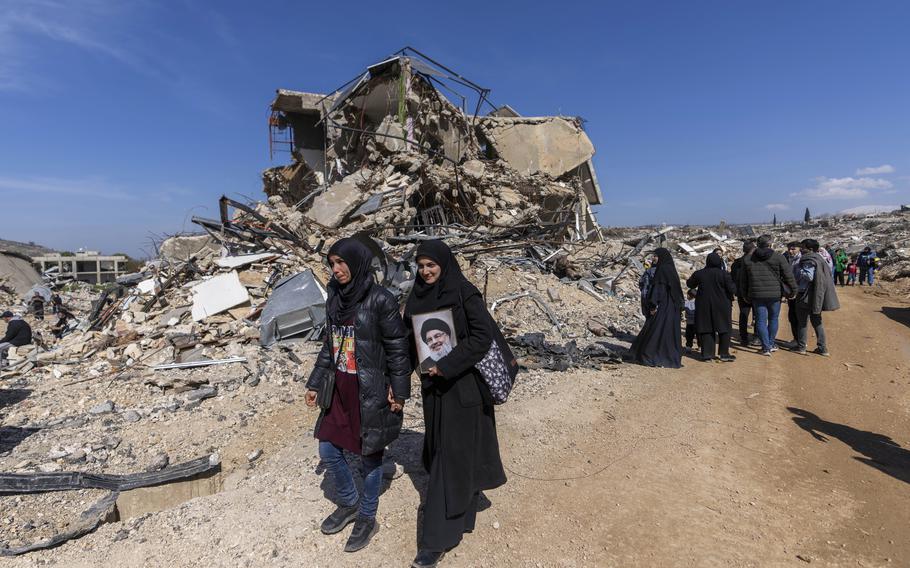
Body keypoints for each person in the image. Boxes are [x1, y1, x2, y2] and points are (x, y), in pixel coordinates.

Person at [403, 240, 511, 568]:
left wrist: (447, 364)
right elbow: (412, 343)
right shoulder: (417, 295)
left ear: (444, 263)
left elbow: (482, 338)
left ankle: (438, 538)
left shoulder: (465, 293)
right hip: (434, 390)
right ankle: (465, 503)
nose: (426, 271)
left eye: (431, 264)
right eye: (420, 265)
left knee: (448, 460)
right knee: (446, 450)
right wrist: (398, 384)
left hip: (463, 389)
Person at [303, 238, 410, 553]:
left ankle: (367, 515)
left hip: (370, 390)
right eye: (332, 264)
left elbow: (398, 349)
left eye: (341, 262)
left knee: (369, 456)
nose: (336, 270)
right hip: (339, 389)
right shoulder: (335, 297)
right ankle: (350, 503)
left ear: (357, 261)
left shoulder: (381, 300)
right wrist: (315, 382)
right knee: (328, 449)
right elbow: (329, 345)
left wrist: (399, 391)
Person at [630, 248, 684, 368]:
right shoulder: (671, 269)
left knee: (655, 330)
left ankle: (650, 356)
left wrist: (653, 304)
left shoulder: (662, 270)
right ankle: (669, 358)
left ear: (662, 257)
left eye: (656, 256)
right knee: (668, 332)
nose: (653, 258)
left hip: (663, 305)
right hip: (672, 306)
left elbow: (658, 289)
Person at [743, 235, 796, 356]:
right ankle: (771, 344)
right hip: (775, 294)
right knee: (773, 318)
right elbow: (788, 276)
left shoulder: (748, 259)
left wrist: (745, 294)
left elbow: (744, 280)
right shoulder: (779, 257)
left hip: (757, 295)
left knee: (760, 320)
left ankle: (765, 347)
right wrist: (793, 290)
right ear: (770, 244)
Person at [686, 252, 737, 362]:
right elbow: (733, 289)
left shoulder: (699, 274)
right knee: (724, 328)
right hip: (722, 305)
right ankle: (724, 354)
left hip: (704, 305)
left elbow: (690, 284)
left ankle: (707, 354)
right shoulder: (724, 274)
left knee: (706, 328)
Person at [793, 239, 840, 356]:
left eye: (803, 247)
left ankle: (801, 347)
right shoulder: (821, 259)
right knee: (817, 321)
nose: (801, 249)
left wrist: (798, 270)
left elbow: (809, 276)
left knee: (802, 322)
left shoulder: (809, 260)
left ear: (810, 249)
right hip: (817, 296)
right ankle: (822, 348)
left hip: (805, 295)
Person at [730, 240, 757, 346]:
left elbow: (733, 278)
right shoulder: (755, 262)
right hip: (755, 293)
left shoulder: (736, 263)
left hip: (742, 293)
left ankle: (743, 338)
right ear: (753, 249)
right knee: (758, 316)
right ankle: (756, 337)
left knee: (743, 315)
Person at [782, 241, 802, 346]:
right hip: (791, 292)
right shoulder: (788, 258)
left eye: (793, 249)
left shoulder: (802, 259)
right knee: (792, 316)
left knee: (798, 317)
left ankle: (800, 341)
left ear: (799, 249)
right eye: (789, 248)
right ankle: (797, 339)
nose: (790, 251)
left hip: (800, 292)